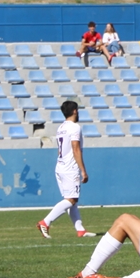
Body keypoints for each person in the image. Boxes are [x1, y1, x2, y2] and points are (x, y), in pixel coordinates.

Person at [34, 101, 97, 237]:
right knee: (71, 199)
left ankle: (80, 230)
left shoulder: (61, 127)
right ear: (74, 111)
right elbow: (75, 148)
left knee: (71, 200)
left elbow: (60, 150)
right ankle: (45, 222)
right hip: (70, 168)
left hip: (60, 166)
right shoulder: (74, 127)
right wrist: (83, 170)